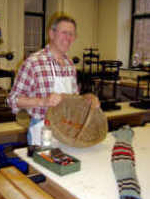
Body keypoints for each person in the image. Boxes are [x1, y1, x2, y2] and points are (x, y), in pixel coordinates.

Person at [7, 14, 99, 146]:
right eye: (64, 33)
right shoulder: (33, 63)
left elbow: (73, 100)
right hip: (42, 130)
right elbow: (13, 100)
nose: (68, 38)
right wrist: (43, 101)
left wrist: (87, 98)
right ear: (51, 34)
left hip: (67, 129)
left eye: (72, 34)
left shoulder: (70, 64)